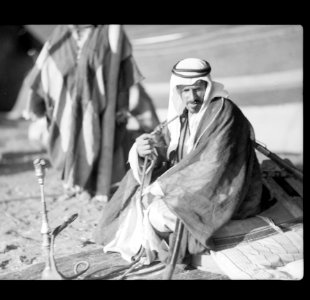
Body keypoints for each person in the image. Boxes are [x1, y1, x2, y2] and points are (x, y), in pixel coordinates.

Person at [94, 58, 265, 266]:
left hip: (223, 192)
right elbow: (163, 151)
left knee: (156, 213)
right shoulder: (182, 117)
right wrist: (142, 151)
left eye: (197, 89)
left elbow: (214, 167)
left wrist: (164, 188)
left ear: (207, 85)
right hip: (189, 189)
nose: (192, 97)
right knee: (134, 201)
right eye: (185, 90)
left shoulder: (223, 113)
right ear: (178, 91)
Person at [23, 25, 159, 200]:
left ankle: (92, 187)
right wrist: (37, 101)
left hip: (99, 105)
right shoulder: (61, 34)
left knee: (94, 142)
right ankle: (72, 185)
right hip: (65, 105)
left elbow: (124, 69)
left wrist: (122, 104)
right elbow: (44, 67)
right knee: (66, 144)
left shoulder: (110, 33)